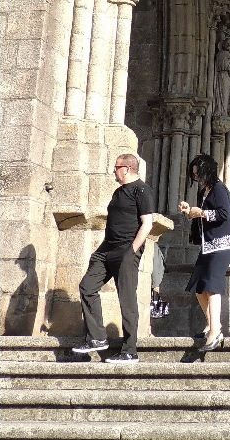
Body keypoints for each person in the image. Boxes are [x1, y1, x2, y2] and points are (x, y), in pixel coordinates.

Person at [73, 154, 155, 363]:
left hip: (126, 250)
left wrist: (132, 250)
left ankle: (130, 351)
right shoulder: (118, 192)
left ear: (126, 168)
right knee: (87, 286)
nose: (113, 171)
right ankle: (97, 337)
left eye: (116, 167)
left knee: (127, 300)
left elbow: (147, 223)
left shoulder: (142, 190)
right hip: (107, 249)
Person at [179, 154, 230, 352]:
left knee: (211, 286)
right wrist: (190, 212)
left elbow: (224, 214)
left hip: (222, 244)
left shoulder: (219, 189)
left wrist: (202, 213)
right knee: (198, 287)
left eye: (199, 174)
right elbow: (202, 215)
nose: (197, 178)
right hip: (208, 244)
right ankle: (213, 324)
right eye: (194, 175)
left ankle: (214, 332)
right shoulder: (204, 191)